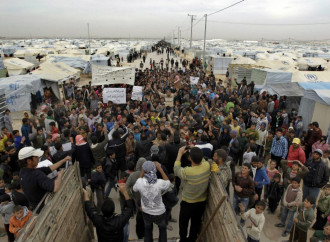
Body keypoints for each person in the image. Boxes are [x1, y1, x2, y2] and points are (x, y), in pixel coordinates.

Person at [174, 146, 210, 242]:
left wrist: (180, 153)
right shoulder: (206, 166)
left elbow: (176, 169)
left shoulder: (188, 171)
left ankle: (183, 240)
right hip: (201, 202)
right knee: (195, 223)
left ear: (189, 158)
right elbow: (201, 158)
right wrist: (194, 149)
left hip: (188, 203)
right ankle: (192, 239)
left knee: (183, 224)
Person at [133, 161, 170, 242]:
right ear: (154, 170)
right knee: (163, 230)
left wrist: (142, 172)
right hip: (160, 212)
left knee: (148, 231)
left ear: (144, 170)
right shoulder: (159, 182)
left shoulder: (140, 182)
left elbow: (134, 188)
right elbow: (168, 182)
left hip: (146, 212)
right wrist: (160, 169)